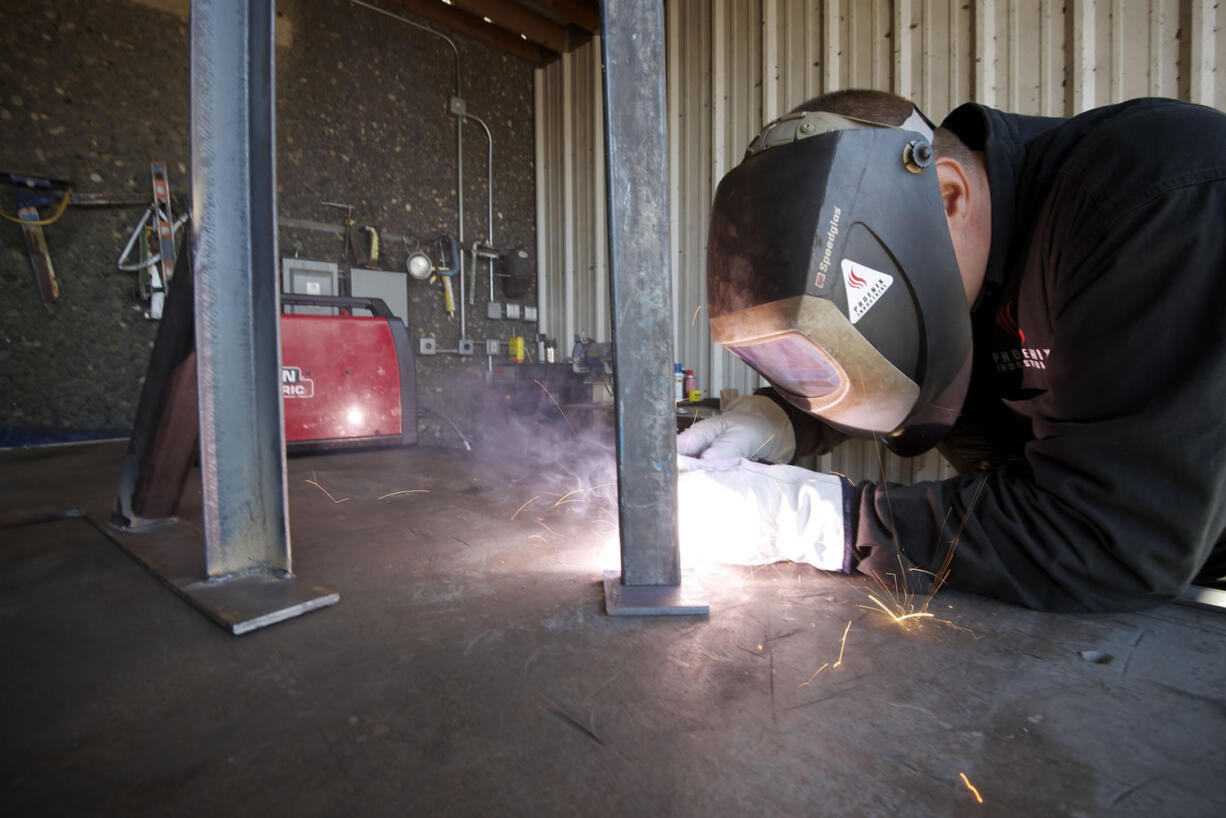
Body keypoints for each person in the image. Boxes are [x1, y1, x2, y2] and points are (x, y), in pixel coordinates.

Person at [677, 89, 1226, 612]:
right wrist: (779, 415)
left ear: (946, 196)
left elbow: (1113, 536)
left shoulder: (1153, 200)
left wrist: (825, 521)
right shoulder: (961, 268)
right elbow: (886, 363)